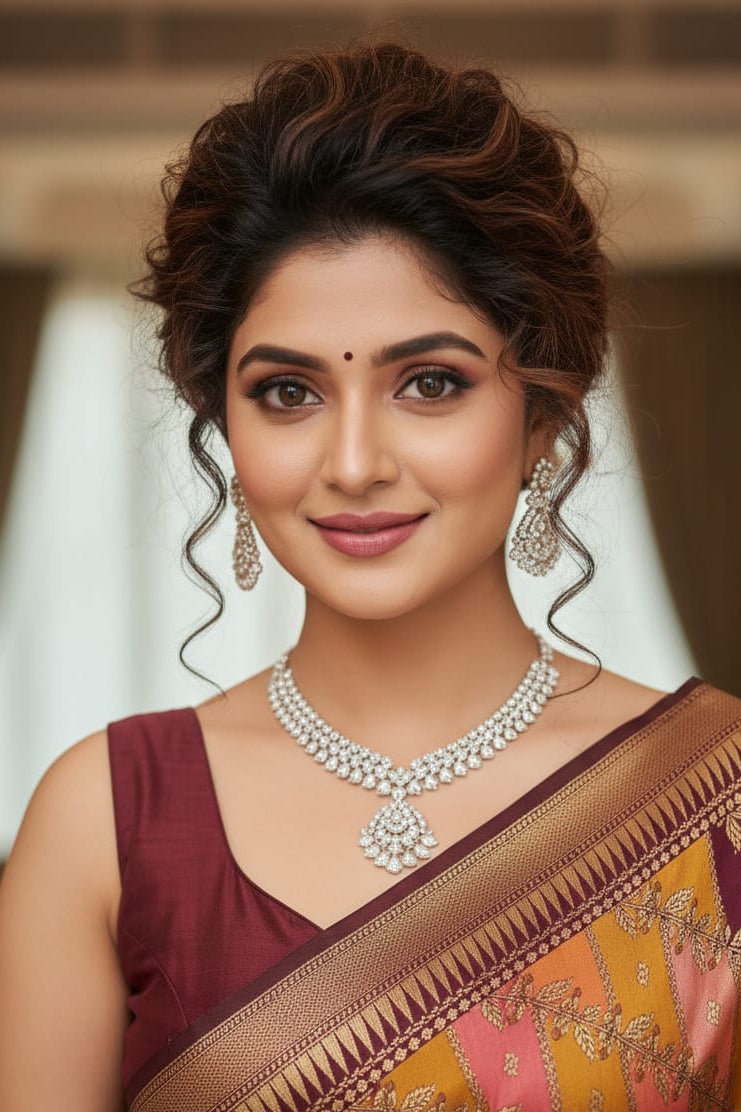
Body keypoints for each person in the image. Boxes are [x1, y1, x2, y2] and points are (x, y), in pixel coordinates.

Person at [1, 38, 740, 1112]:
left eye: (430, 382)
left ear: (543, 413)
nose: (353, 463)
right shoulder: (108, 818)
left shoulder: (716, 797)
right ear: (224, 420)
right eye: (288, 392)